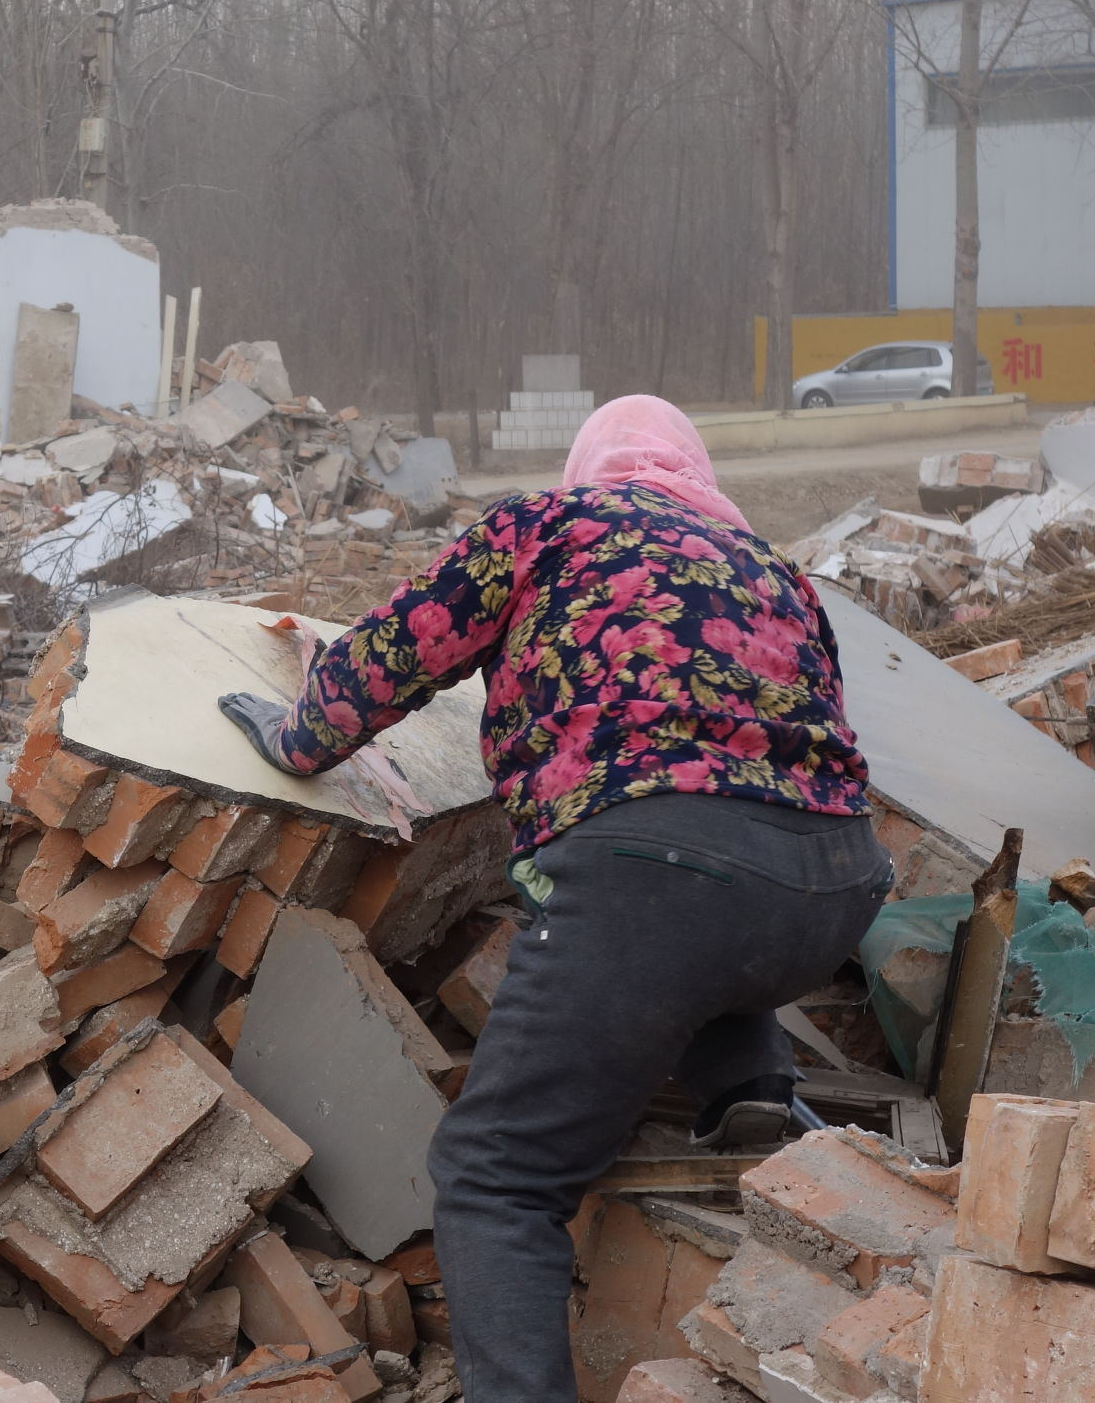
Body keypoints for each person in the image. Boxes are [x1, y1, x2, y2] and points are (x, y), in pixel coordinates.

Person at [216, 394, 890, 1403]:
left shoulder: (545, 525)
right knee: (713, 892)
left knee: (495, 1179)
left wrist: (299, 736)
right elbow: (778, 748)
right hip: (833, 891)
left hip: (656, 874)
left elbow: (402, 647)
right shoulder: (773, 571)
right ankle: (747, 1091)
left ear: (591, 467)